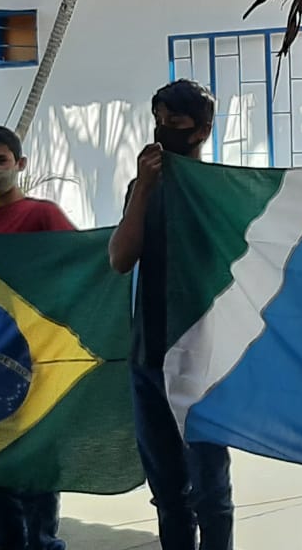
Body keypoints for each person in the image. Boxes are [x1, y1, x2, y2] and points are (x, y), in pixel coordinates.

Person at [109, 79, 234, 550]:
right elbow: (121, 258)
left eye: (175, 124)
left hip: (204, 358)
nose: (163, 131)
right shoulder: (141, 188)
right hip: (148, 356)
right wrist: (144, 189)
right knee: (168, 495)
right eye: (158, 121)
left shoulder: (222, 189)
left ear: (202, 131)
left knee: (210, 491)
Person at [0, 126, 74, 550]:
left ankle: (43, 540)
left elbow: (79, 264)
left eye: (0, 161)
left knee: (37, 455)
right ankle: (6, 539)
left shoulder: (43, 216)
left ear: (19, 165)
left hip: (38, 358)